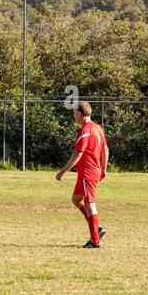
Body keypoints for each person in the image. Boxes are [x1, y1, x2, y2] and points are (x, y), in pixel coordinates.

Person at [55, 101, 109, 248]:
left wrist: (63, 172)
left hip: (87, 172)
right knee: (76, 199)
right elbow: (105, 150)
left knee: (90, 204)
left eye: (74, 113)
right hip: (91, 171)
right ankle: (96, 229)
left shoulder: (86, 130)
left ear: (79, 113)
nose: (74, 116)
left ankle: (95, 241)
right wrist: (103, 169)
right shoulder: (98, 128)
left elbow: (78, 154)